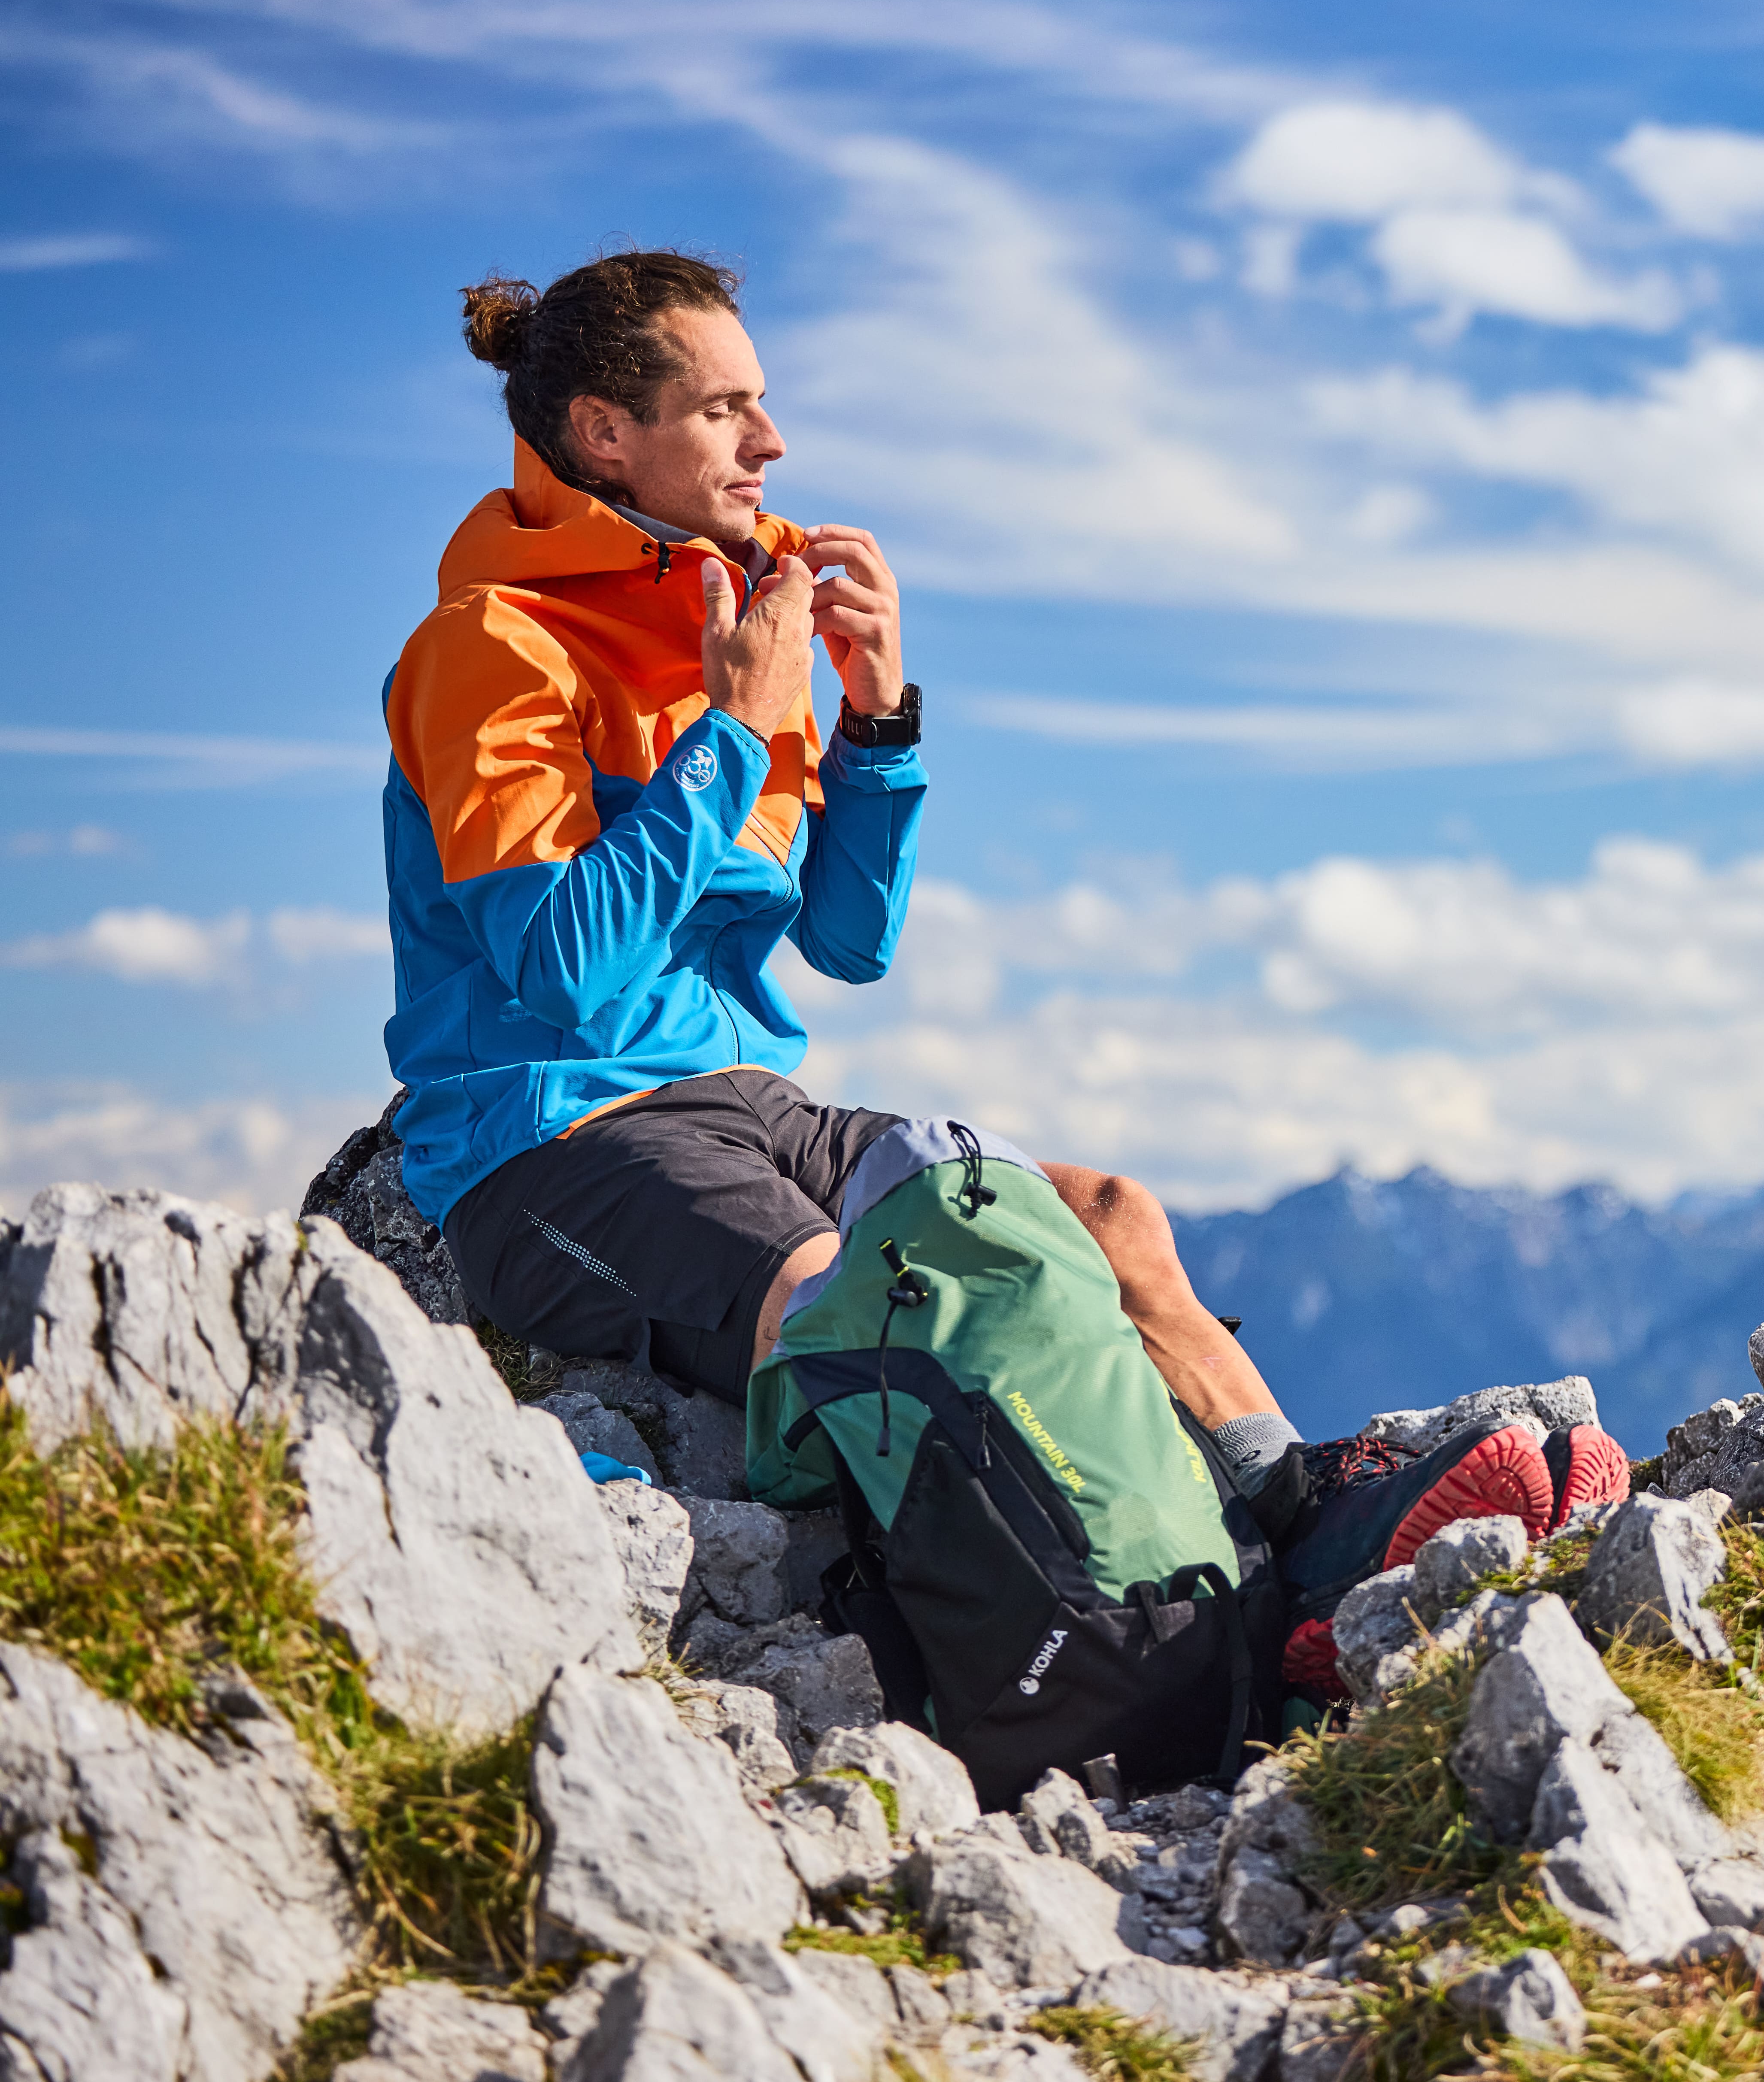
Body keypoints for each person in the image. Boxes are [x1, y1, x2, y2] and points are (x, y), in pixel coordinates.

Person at [386, 249, 1618, 1582]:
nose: (773, 441)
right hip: (554, 1142)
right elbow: (563, 972)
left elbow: (850, 942)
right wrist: (735, 729)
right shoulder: (491, 644)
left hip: (748, 1099)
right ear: (604, 433)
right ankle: (1205, 1606)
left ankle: (1304, 1517)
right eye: (725, 409)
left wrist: (876, 717)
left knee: (1106, 1220)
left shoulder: (742, 617)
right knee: (873, 1304)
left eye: (763, 404)